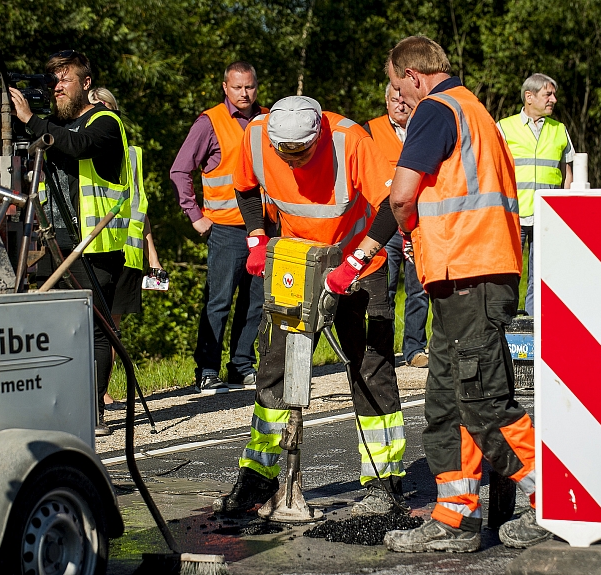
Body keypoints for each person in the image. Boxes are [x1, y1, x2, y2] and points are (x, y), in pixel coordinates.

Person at [382, 36, 552, 553]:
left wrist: (408, 231)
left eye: (396, 87)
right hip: (468, 274)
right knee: (446, 404)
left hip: (471, 272)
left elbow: (402, 194)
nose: (398, 99)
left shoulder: (436, 110)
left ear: (414, 76)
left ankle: (554, 495)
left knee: (480, 398)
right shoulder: (473, 109)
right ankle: (454, 519)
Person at [212, 95, 407, 517]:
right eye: (286, 153)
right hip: (297, 262)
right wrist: (256, 238)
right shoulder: (258, 135)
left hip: (360, 264)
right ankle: (258, 478)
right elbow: (245, 189)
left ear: (318, 134)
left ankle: (383, 483)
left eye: (301, 152)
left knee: (369, 368)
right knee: (277, 366)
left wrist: (353, 264)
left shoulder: (350, 140)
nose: (293, 161)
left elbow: (394, 205)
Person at [9, 50, 132, 436]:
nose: (57, 86)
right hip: (52, 238)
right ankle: (57, 407)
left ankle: (92, 411)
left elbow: (76, 146)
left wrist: (31, 119)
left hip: (94, 242)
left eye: (65, 79)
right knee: (56, 328)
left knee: (93, 328)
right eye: (52, 80)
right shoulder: (53, 126)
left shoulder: (104, 121)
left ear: (86, 84)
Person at [170, 62, 266, 394]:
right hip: (226, 229)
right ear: (225, 87)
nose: (244, 93)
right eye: (238, 87)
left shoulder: (267, 119)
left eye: (250, 87)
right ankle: (207, 369)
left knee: (255, 302)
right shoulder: (209, 122)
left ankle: (241, 366)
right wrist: (195, 215)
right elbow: (180, 170)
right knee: (219, 300)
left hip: (262, 228)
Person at [89, 87, 166, 411]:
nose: (101, 112)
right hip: (93, 249)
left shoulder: (131, 154)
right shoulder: (80, 150)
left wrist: (153, 256)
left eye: (106, 106)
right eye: (94, 107)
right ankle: (93, 394)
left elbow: (140, 207)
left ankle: (102, 392)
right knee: (91, 327)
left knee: (111, 327)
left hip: (128, 252)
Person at [497, 73, 575, 316]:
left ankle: (535, 323)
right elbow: (494, 170)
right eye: (547, 94)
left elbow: (567, 173)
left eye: (554, 95)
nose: (553, 99)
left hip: (547, 217)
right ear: (529, 97)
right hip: (514, 214)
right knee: (508, 273)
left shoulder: (559, 130)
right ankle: (506, 324)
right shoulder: (505, 127)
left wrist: (565, 209)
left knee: (541, 275)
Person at [364, 83, 429, 369]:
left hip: (420, 222)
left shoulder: (426, 127)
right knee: (383, 289)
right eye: (394, 100)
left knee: (419, 288)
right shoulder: (369, 130)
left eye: (404, 101)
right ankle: (382, 351)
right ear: (386, 101)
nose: (400, 106)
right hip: (385, 224)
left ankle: (414, 348)